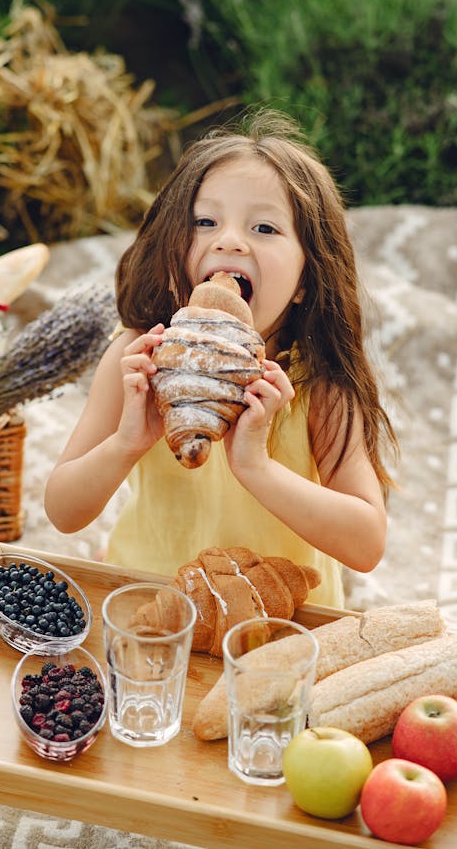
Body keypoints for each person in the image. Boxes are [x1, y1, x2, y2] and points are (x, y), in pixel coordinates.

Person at [44, 110, 398, 607]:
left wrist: (256, 467)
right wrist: (126, 442)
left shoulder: (319, 385)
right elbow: (62, 509)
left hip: (276, 627)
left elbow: (366, 544)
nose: (229, 239)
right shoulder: (137, 359)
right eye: (205, 221)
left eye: (265, 228)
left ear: (304, 282)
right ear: (171, 261)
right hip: (151, 606)